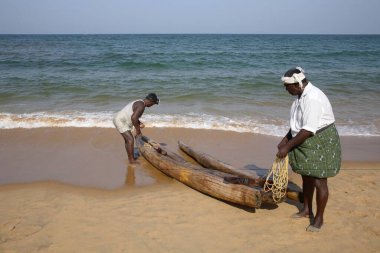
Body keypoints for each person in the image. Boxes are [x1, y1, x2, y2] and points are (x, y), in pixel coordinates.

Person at [277, 67, 341, 232]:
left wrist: (287, 147)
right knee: (306, 176)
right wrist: (285, 140)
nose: (286, 89)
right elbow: (297, 125)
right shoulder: (299, 97)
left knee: (319, 180)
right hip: (306, 137)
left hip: (320, 140)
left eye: (287, 86)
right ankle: (306, 210)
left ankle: (319, 219)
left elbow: (308, 129)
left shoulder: (312, 98)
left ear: (298, 84)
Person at [113, 93, 159, 164]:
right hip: (121, 120)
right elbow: (134, 117)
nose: (152, 105)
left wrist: (139, 123)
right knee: (130, 139)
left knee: (128, 140)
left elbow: (134, 116)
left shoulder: (140, 102)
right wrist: (138, 131)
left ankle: (131, 158)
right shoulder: (142, 106)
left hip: (120, 118)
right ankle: (131, 160)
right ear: (150, 101)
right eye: (153, 104)